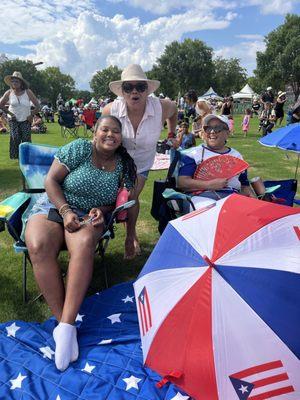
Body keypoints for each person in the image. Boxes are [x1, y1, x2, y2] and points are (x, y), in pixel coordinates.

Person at [24, 115, 136, 371]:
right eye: (104, 129)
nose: (110, 135)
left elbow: (122, 202)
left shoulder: (124, 166)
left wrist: (103, 209)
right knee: (39, 244)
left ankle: (64, 327)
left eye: (116, 131)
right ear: (94, 132)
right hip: (54, 205)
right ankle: (65, 326)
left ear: (121, 138)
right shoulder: (79, 149)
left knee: (84, 243)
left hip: (89, 215)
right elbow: (51, 180)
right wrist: (65, 211)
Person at [102, 64, 177, 259]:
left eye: (140, 87)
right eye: (129, 87)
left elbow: (175, 110)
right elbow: (101, 134)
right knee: (119, 197)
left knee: (131, 195)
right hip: (117, 160)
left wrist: (171, 133)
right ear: (122, 91)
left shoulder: (161, 106)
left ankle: (130, 235)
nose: (134, 91)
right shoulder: (111, 109)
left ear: (147, 90)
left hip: (143, 162)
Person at [177, 114, 252, 209]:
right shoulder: (194, 154)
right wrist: (209, 185)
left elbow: (245, 187)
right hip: (202, 197)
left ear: (227, 133)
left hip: (232, 197)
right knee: (211, 210)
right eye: (208, 128)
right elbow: (182, 182)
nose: (212, 132)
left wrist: (254, 200)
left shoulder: (237, 156)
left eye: (218, 128)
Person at [0, 71, 40, 159]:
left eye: (16, 81)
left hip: (26, 119)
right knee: (15, 137)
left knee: (26, 138)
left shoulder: (28, 92)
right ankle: (15, 157)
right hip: (13, 119)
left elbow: (38, 106)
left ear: (21, 82)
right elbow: (1, 104)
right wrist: (9, 113)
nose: (14, 83)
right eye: (13, 81)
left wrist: (31, 114)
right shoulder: (8, 93)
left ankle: (27, 156)